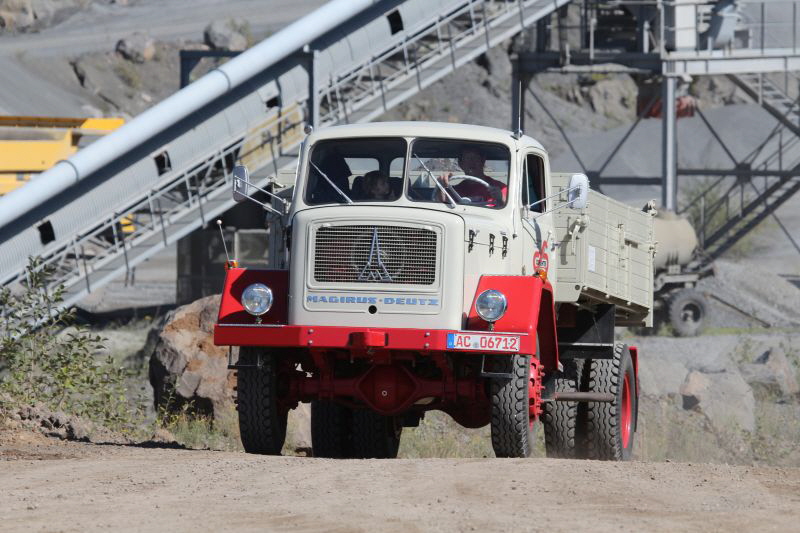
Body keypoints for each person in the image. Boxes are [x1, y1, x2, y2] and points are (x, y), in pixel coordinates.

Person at [440, 146, 507, 206]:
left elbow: (509, 207)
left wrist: (500, 198)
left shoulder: (499, 187)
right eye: (467, 158)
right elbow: (441, 204)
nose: (471, 162)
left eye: (476, 158)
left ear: (482, 161)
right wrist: (441, 184)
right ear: (461, 164)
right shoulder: (455, 191)